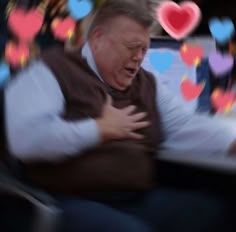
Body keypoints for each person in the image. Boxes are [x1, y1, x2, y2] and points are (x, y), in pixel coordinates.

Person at [4, 0, 236, 231]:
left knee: (217, 211)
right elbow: (26, 139)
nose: (138, 57)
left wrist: (229, 142)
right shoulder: (51, 71)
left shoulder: (146, 83)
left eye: (143, 49)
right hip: (71, 200)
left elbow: (182, 125)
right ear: (97, 39)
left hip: (136, 197)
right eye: (131, 47)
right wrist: (98, 129)